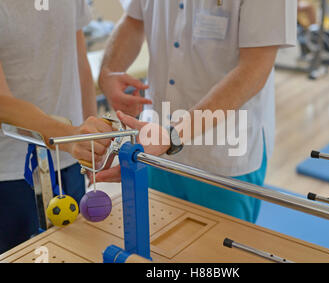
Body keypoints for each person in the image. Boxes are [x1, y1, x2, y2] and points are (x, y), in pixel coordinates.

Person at [96, 0, 297, 223]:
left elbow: (255, 68)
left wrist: (173, 135)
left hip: (223, 154)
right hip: (155, 143)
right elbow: (134, 20)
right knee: (158, 247)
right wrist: (109, 72)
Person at [0, 0, 112, 258]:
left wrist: (91, 140)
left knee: (78, 254)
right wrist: (68, 137)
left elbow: (79, 65)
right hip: (10, 171)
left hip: (70, 159)